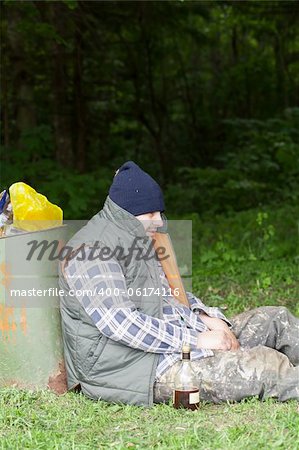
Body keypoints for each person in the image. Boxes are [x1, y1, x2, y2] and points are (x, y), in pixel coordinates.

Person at [59, 161, 299, 406]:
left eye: (159, 213)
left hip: (169, 339)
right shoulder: (89, 251)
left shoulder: (136, 236)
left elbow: (164, 292)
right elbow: (122, 324)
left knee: (276, 320)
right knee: (263, 368)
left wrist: (205, 318)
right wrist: (197, 340)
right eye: (151, 214)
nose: (159, 221)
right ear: (126, 213)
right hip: (134, 367)